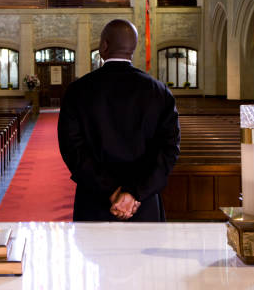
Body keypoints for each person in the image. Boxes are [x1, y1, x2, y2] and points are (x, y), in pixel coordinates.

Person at [57, 19, 181, 222]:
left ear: (103, 46)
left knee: (93, 254)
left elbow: (72, 150)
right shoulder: (159, 92)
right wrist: (134, 194)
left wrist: (111, 191)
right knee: (146, 254)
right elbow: (169, 150)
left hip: (94, 202)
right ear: (132, 49)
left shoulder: (78, 91)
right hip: (143, 205)